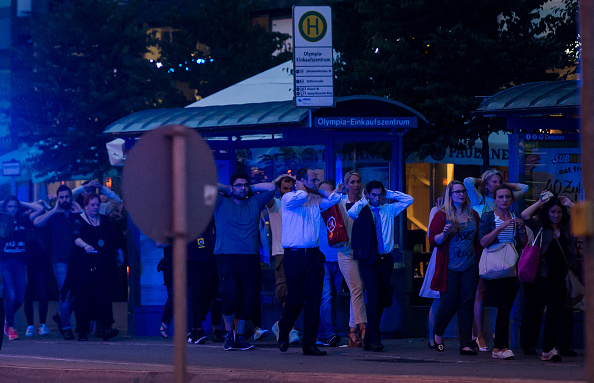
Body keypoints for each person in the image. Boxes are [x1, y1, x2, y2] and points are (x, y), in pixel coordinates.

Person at [277, 168, 340, 356]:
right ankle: (284, 328)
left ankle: (309, 344)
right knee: (295, 298)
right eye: (313, 179)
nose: (316, 181)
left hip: (313, 255)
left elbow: (335, 199)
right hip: (294, 255)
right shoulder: (288, 198)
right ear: (301, 180)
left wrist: (317, 189)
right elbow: (301, 197)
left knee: (314, 299)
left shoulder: (315, 199)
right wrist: (305, 188)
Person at [464, 169, 528, 351]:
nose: (497, 184)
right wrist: (484, 180)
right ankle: (480, 335)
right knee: (481, 292)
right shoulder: (480, 200)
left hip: (506, 250)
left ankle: (500, 334)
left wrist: (505, 186)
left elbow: (524, 188)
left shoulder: (506, 198)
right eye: (493, 182)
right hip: (486, 247)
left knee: (504, 295)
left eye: (499, 181)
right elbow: (468, 180)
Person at [348, 180, 413, 351]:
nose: (377, 198)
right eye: (374, 195)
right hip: (369, 259)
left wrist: (388, 193)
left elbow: (409, 199)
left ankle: (370, 336)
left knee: (382, 298)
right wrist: (363, 199)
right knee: (373, 295)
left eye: (379, 194)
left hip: (385, 259)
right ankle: (373, 337)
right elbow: (351, 212)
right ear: (368, 194)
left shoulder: (389, 209)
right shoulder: (363, 208)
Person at [214, 172, 276, 351]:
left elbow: (272, 187)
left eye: (244, 185)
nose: (242, 188)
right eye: (238, 185)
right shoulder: (220, 203)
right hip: (226, 255)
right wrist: (228, 189)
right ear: (232, 187)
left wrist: (250, 188)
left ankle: (240, 336)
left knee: (249, 296)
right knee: (230, 295)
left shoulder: (254, 203)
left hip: (249, 256)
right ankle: (228, 334)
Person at [520, 193, 574, 362]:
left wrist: (570, 204)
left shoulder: (565, 227)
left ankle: (549, 348)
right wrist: (541, 202)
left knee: (556, 312)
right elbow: (524, 215)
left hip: (560, 276)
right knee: (540, 312)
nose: (556, 215)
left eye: (559, 212)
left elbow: (585, 219)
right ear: (547, 212)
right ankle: (545, 348)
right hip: (542, 277)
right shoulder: (540, 227)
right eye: (552, 212)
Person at [428, 181, 481, 355]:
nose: (461, 194)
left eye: (463, 191)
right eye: (457, 192)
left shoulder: (473, 214)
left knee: (467, 304)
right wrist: (444, 234)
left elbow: (477, 241)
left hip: (470, 265)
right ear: (450, 195)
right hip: (449, 266)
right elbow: (432, 241)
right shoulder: (442, 215)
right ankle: (437, 333)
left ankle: (465, 343)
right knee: (448, 304)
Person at [478, 184, 528, 360]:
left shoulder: (516, 217)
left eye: (507, 197)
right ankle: (500, 347)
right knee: (503, 305)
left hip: (511, 266)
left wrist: (521, 229)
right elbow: (483, 242)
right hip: (494, 266)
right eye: (500, 197)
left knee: (506, 307)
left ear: (512, 199)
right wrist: (500, 227)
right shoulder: (488, 217)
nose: (504, 200)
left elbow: (523, 243)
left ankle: (500, 347)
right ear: (494, 199)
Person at [65, 193, 120, 341]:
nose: (95, 208)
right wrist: (85, 245)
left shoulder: (103, 220)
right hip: (83, 265)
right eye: (92, 205)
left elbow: (112, 239)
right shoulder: (79, 220)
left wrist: (118, 252)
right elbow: (75, 237)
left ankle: (106, 327)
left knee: (103, 296)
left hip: (102, 263)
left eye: (97, 205)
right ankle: (82, 330)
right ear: (86, 205)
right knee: (83, 298)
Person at [33, 185, 82, 340]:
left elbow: (87, 222)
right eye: (61, 197)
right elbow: (36, 222)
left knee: (80, 293)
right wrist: (54, 210)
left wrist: (79, 210)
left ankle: (61, 316)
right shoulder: (54, 215)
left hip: (77, 260)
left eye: (67, 197)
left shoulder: (76, 214)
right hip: (59, 260)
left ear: (71, 197)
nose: (64, 200)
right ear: (57, 198)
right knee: (64, 294)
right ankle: (67, 327)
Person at [0, 196, 43, 340]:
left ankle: (6, 319)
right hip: (5, 262)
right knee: (10, 295)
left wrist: (21, 202)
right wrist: (5, 203)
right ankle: (10, 328)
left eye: (14, 207)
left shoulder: (23, 220)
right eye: (10, 207)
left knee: (19, 297)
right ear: (5, 208)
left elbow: (40, 209)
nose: (12, 209)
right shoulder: (2, 221)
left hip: (20, 263)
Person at [267, 176, 300, 345]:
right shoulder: (276, 205)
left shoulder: (295, 204)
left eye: (290, 188)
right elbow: (267, 193)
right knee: (285, 292)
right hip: (281, 252)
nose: (288, 192)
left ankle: (282, 324)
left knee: (296, 292)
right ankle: (289, 328)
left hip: (296, 251)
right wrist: (277, 180)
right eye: (284, 188)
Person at [337, 171, 367, 347]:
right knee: (357, 289)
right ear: (347, 184)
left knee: (357, 292)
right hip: (346, 251)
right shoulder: (341, 203)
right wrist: (336, 191)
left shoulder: (365, 204)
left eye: (358, 181)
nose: (356, 185)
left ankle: (352, 331)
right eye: (353, 182)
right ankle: (363, 329)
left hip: (362, 252)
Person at [316, 180, 343, 347]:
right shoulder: (317, 206)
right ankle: (329, 333)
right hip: (323, 258)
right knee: (325, 297)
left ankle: (324, 332)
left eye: (329, 192)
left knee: (334, 298)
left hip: (339, 257)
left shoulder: (339, 207)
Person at [24, 199, 53, 337]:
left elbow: (49, 212)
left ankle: (41, 324)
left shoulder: (46, 222)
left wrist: (47, 206)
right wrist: (37, 204)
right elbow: (38, 209)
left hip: (42, 263)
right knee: (29, 295)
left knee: (42, 295)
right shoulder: (28, 219)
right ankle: (31, 325)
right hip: (29, 263)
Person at [418, 193, 443, 348]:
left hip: (457, 256)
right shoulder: (437, 210)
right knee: (437, 298)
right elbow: (431, 235)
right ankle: (433, 337)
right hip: (440, 255)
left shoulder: (464, 211)